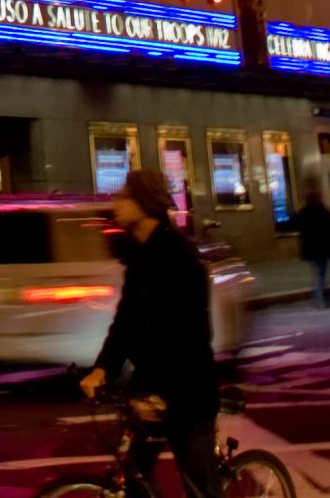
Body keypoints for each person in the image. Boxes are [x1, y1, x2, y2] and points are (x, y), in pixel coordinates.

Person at [79, 168, 219, 498]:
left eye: (123, 196)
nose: (116, 202)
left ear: (145, 203)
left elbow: (190, 335)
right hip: (151, 386)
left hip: (187, 391)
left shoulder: (179, 257)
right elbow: (126, 320)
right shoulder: (139, 256)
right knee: (133, 478)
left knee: (201, 487)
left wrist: (164, 392)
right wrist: (103, 369)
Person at [296, 185, 330, 308]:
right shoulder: (324, 211)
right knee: (323, 273)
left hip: (310, 249)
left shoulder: (304, 212)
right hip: (323, 248)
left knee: (320, 273)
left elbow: (294, 224)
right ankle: (318, 296)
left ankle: (322, 296)